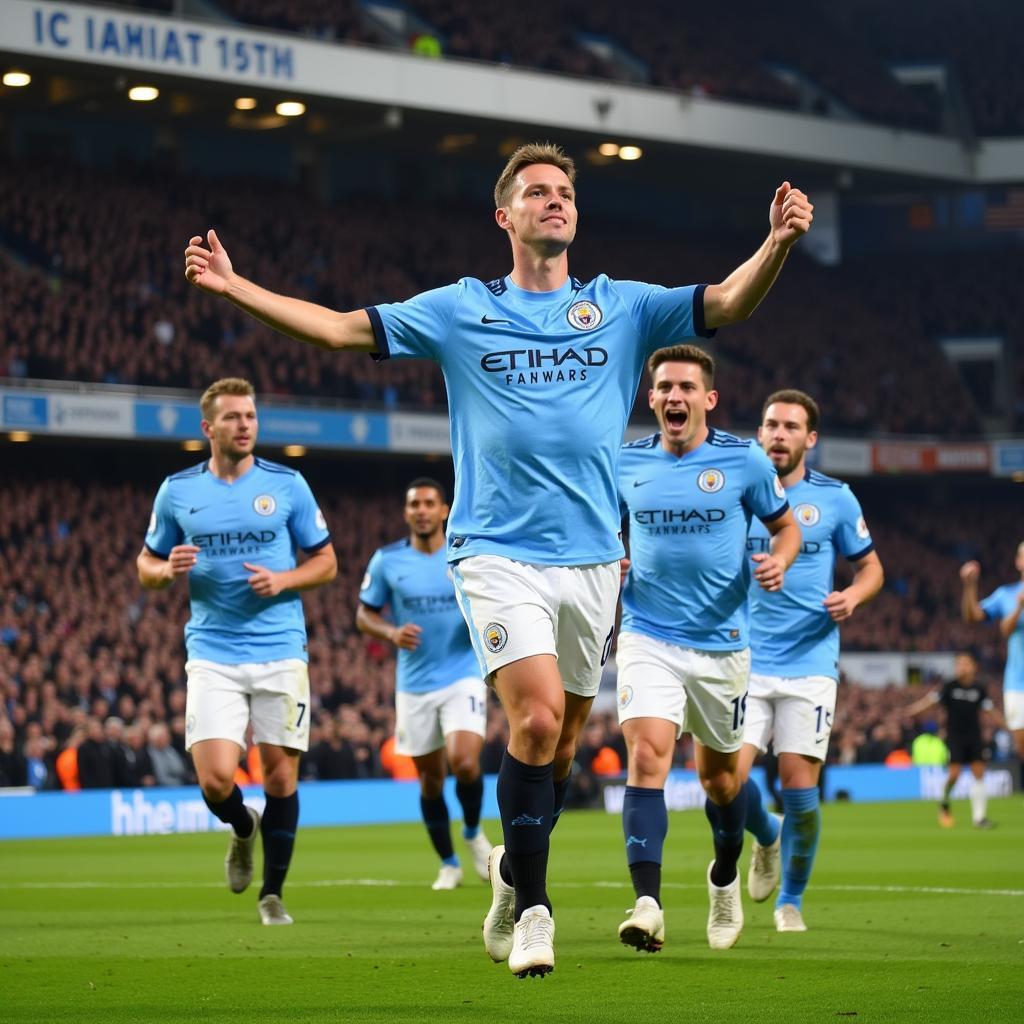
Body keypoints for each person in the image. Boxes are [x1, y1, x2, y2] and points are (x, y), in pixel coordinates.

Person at [184, 141, 812, 976]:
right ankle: (538, 915)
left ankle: (513, 876)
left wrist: (775, 244)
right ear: (504, 216)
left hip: (592, 561)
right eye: (537, 193)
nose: (555, 202)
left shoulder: (622, 306)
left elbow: (728, 303)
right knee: (538, 719)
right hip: (494, 552)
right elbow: (339, 330)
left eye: (564, 193)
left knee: (554, 753)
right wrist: (236, 287)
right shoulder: (459, 308)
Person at [615, 345, 802, 954]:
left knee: (722, 783)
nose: (676, 397)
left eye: (687, 388)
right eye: (665, 387)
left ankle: (727, 873)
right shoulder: (624, 463)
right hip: (648, 635)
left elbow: (786, 525)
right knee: (647, 756)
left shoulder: (744, 460)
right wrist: (607, 557)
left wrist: (780, 559)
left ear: (709, 399)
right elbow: (597, 528)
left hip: (723, 646)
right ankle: (648, 903)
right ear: (652, 398)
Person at [137, 377, 337, 926]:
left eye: (250, 416)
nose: (245, 425)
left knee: (280, 778)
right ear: (208, 428)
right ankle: (243, 826)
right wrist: (164, 572)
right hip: (213, 651)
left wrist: (285, 579)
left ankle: (272, 894)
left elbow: (326, 562)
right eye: (233, 417)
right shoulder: (178, 491)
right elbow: (146, 565)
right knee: (215, 781)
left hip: (280, 649)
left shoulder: (288, 484)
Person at [739, 389, 883, 933]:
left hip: (810, 660)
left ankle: (791, 900)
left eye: (791, 427)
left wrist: (854, 595)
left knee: (800, 792)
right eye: (771, 424)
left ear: (810, 439)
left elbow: (871, 568)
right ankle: (766, 835)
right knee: (727, 780)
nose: (779, 434)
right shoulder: (736, 491)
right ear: (760, 432)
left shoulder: (837, 499)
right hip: (743, 657)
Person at [356, 478, 492, 890]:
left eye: (429, 503)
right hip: (414, 685)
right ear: (406, 512)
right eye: (414, 503)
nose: (421, 510)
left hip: (462, 673)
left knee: (465, 762)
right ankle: (448, 863)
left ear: (444, 510)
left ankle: (471, 831)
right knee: (431, 780)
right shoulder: (387, 561)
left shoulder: (464, 555)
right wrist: (390, 634)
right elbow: (364, 615)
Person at [906, 652, 995, 828]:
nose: (961, 667)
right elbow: (931, 702)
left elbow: (989, 710)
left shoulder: (979, 688)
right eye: (959, 664)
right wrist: (912, 710)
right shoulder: (949, 686)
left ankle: (979, 818)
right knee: (955, 773)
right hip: (955, 736)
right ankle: (945, 802)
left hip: (974, 735)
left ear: (973, 667)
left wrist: (1008, 725)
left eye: (965, 663)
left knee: (979, 772)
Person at [960, 546, 1024, 783]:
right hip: (1018, 683)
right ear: (1018, 562)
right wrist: (969, 585)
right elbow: (972, 616)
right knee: (1021, 745)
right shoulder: (1007, 595)